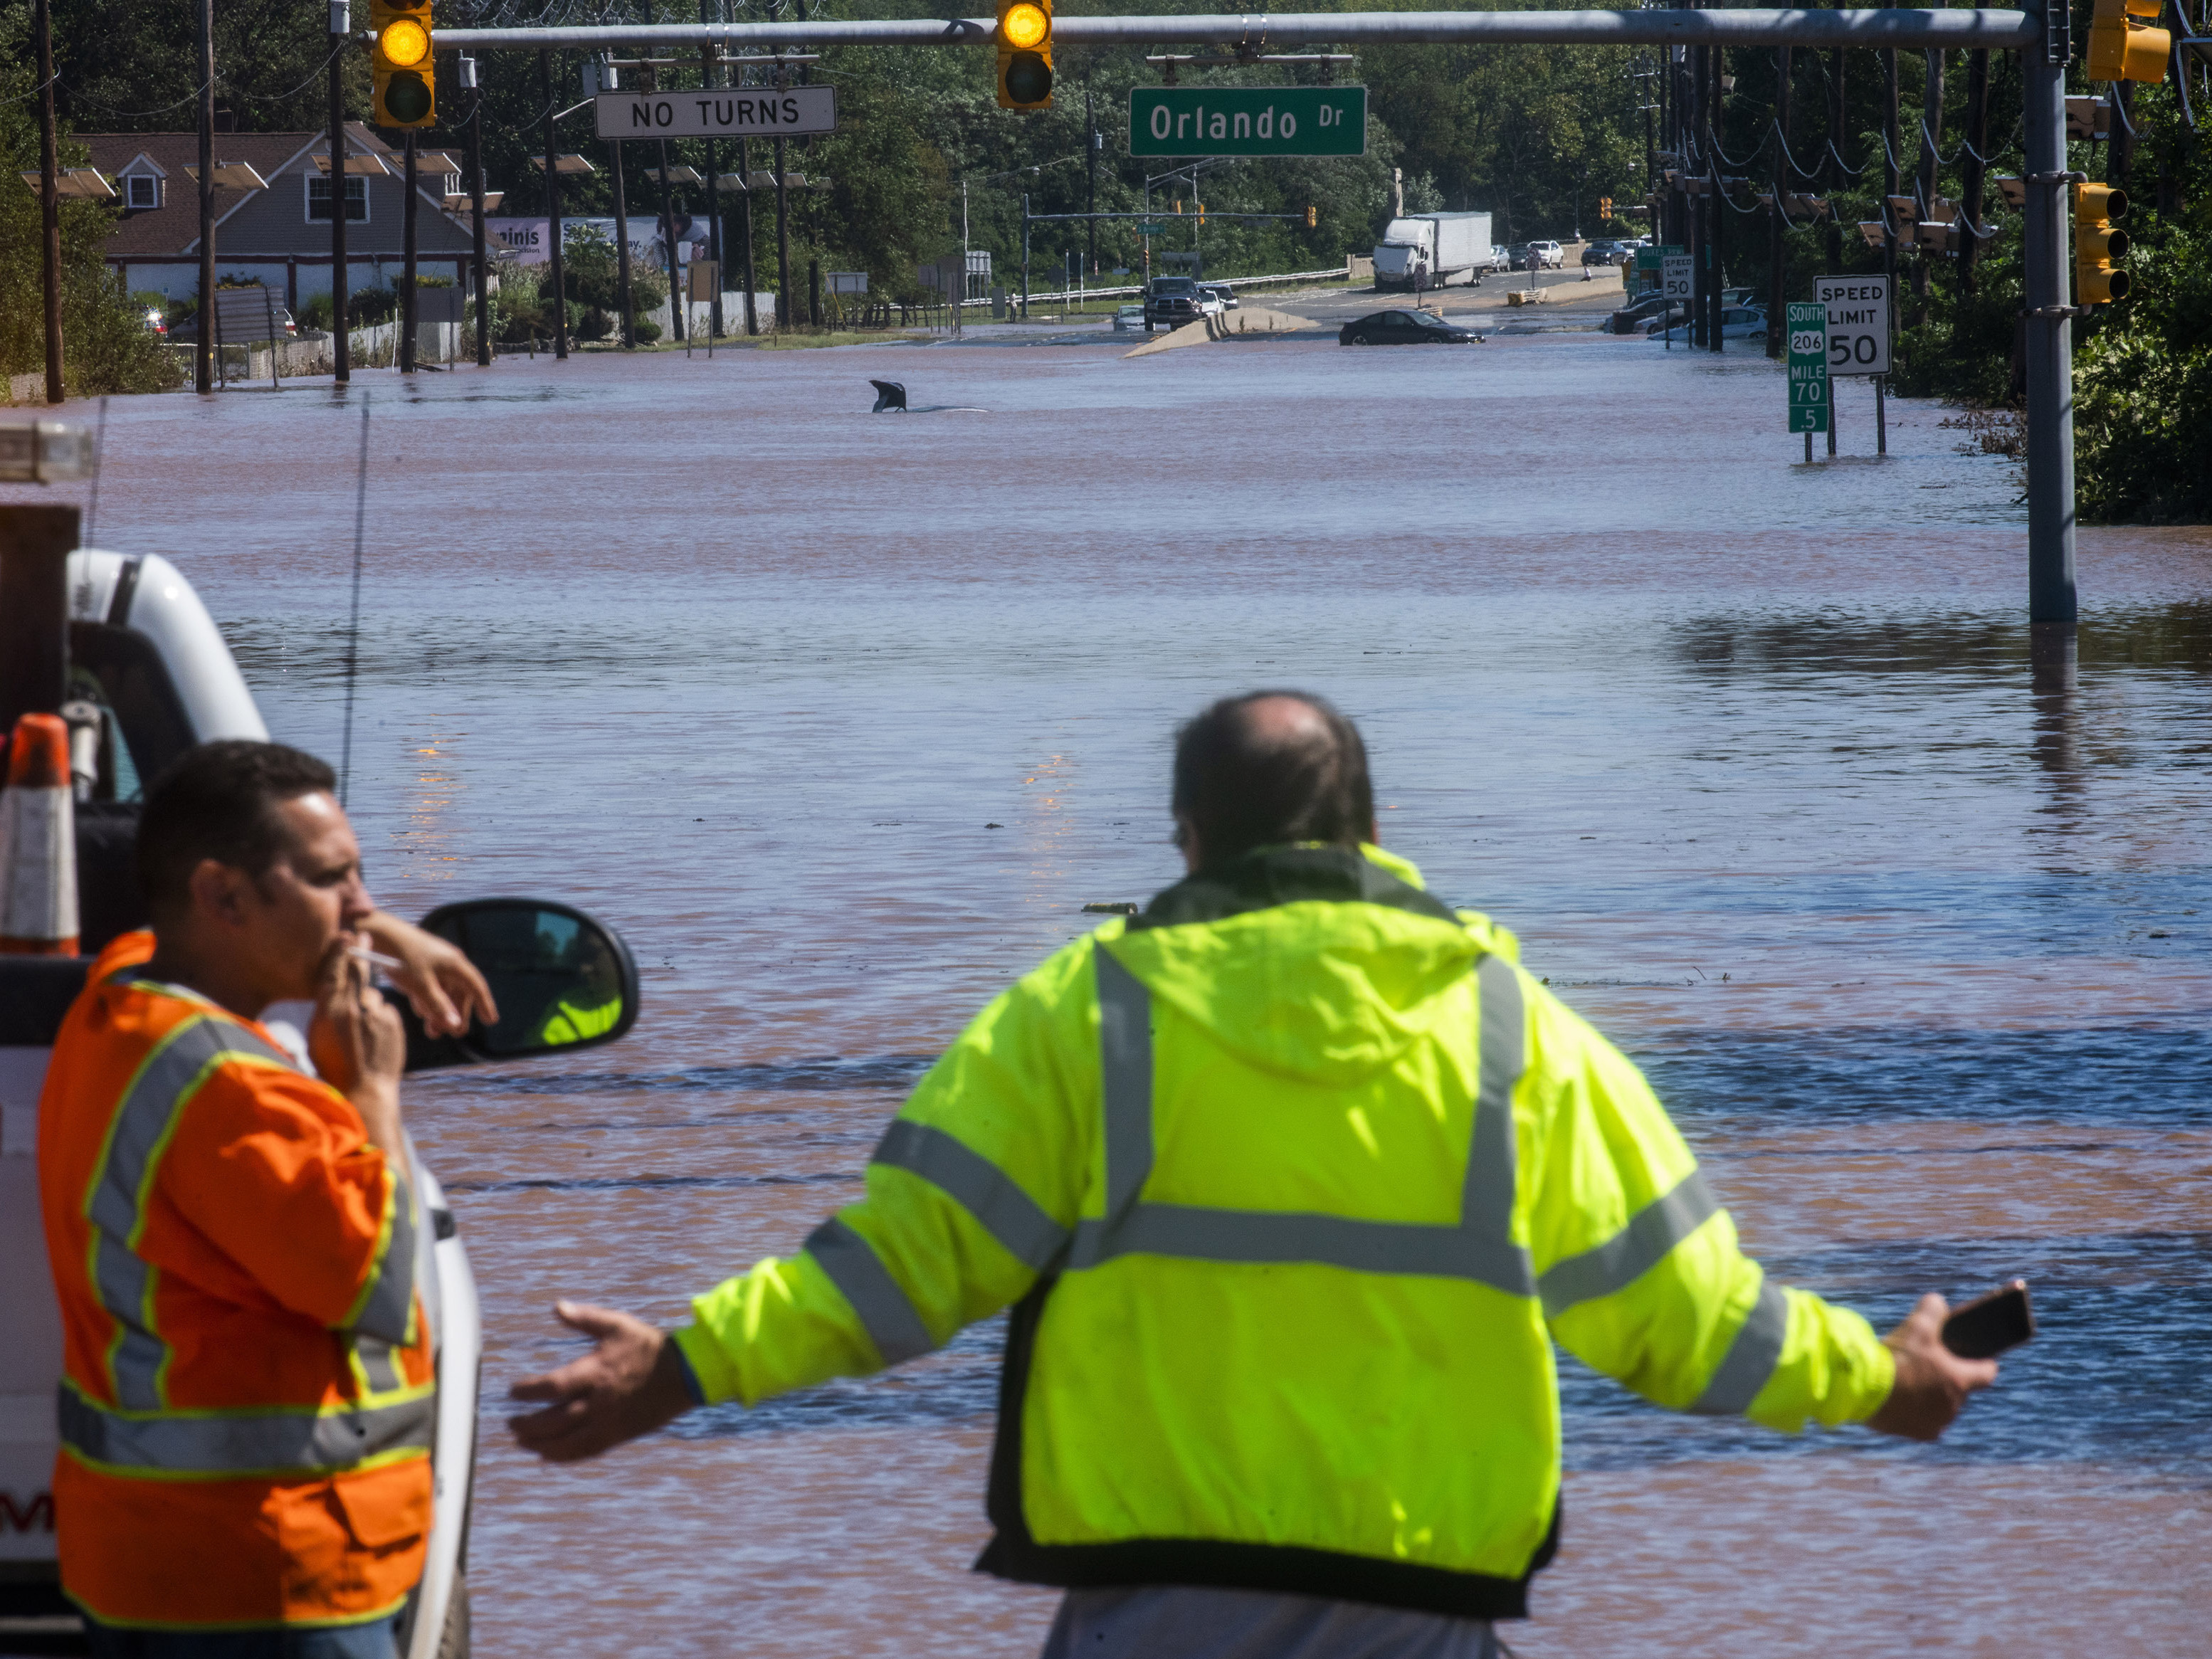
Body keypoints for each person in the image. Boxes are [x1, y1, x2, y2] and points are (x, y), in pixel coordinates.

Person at [508, 691, 1997, 1658]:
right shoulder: (1513, 1033)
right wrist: (1877, 1373)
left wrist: (686, 1362)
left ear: (1188, 836)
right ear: (1373, 837)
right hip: (1418, 1615)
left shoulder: (1079, 1015)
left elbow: (900, 1269)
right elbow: (1686, 1320)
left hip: (1148, 1610)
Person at [38, 740, 495, 1657]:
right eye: (334, 879)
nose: (361, 907)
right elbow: (374, 1280)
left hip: (160, 1566)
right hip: (269, 1583)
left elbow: (146, 931)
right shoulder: (232, 1091)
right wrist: (372, 1088)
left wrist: (376, 929)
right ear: (224, 897)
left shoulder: (119, 1003)